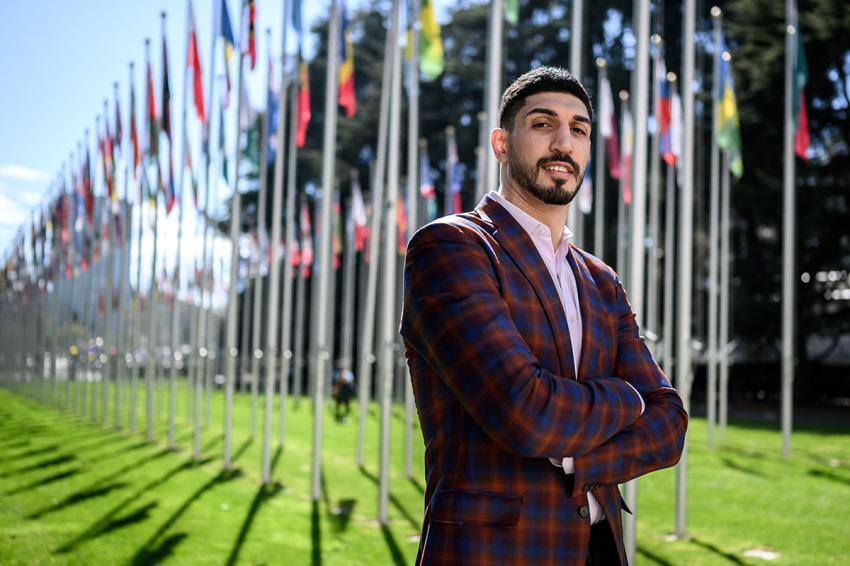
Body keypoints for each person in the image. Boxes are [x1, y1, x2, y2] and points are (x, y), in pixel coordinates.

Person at [400, 66, 688, 566]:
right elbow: (525, 412)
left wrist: (580, 457)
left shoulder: (601, 280)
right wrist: (628, 399)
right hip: (492, 552)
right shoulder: (451, 247)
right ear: (501, 143)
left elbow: (670, 425)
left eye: (579, 130)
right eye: (542, 124)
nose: (564, 142)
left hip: (601, 550)